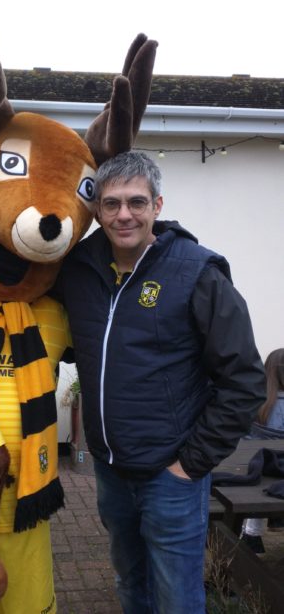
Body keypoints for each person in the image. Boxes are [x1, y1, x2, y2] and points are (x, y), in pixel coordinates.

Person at [54, 150, 266, 614]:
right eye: (111, 204)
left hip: (171, 475)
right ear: (97, 209)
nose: (123, 214)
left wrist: (191, 463)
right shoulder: (77, 270)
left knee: (177, 597)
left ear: (157, 205)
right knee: (131, 583)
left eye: (136, 202)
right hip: (110, 469)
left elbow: (245, 380)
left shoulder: (196, 272)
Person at [240, 348, 284, 553]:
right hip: (279, 478)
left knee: (257, 474)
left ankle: (251, 534)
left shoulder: (252, 403)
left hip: (251, 478)